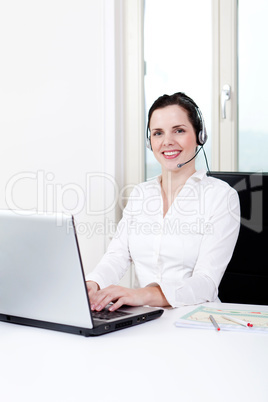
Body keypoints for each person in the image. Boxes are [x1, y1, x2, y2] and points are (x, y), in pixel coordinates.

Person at [86, 92, 240, 311]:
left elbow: (206, 282)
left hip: (196, 319)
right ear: (150, 141)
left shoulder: (221, 197)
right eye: (158, 133)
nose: (167, 141)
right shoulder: (140, 194)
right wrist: (93, 284)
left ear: (199, 135)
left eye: (178, 130)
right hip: (144, 318)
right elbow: (117, 256)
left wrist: (142, 294)